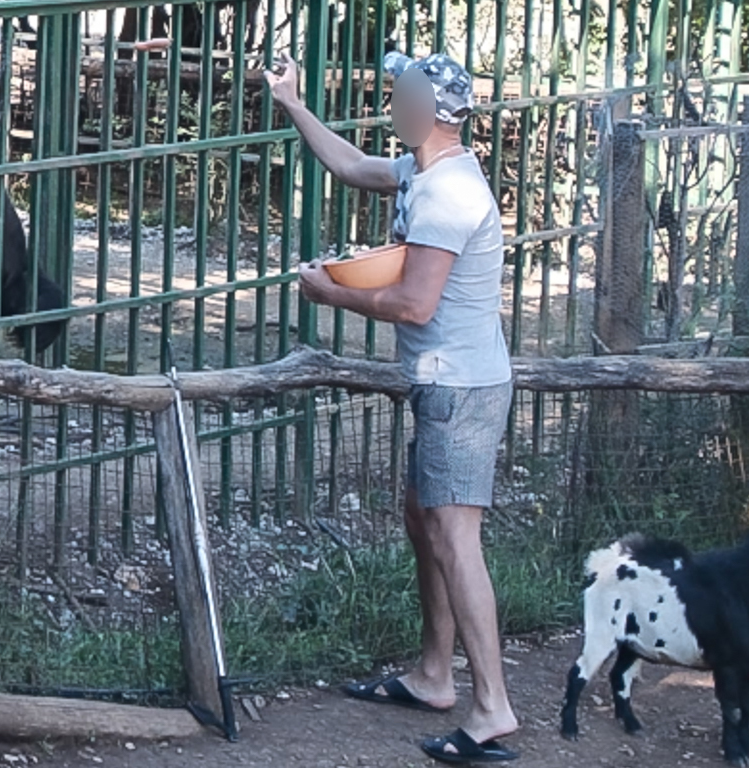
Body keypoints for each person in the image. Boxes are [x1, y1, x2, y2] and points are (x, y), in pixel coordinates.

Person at [264, 52, 520, 763]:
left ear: (436, 112)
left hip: (459, 387)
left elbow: (413, 302)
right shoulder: (424, 173)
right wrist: (291, 101)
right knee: (424, 520)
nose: (390, 99)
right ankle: (434, 675)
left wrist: (330, 294)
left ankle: (492, 706)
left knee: (454, 536)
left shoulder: (449, 196)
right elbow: (352, 167)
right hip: (443, 381)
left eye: (403, 91)